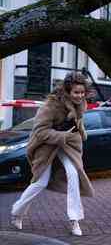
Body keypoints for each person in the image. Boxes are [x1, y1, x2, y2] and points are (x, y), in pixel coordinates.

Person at [11, 72, 94, 236]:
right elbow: (40, 132)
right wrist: (62, 135)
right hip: (46, 145)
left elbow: (78, 120)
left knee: (73, 173)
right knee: (40, 182)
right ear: (67, 91)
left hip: (67, 145)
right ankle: (17, 213)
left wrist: (81, 132)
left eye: (82, 92)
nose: (80, 96)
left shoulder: (80, 104)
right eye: (76, 92)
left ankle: (74, 220)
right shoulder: (51, 105)